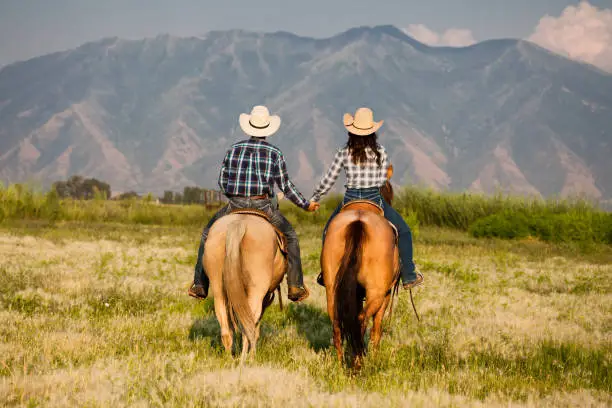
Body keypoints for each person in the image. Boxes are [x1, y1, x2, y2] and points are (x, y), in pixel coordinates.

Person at [188, 105, 319, 302]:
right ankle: (295, 285)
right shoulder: (275, 153)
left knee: (207, 234)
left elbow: (222, 182)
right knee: (291, 237)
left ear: (248, 126)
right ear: (268, 129)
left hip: (234, 205)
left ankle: (200, 283)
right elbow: (285, 185)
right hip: (263, 206)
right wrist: (305, 204)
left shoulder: (234, 150)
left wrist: (235, 194)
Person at [310, 107, 424, 290]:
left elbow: (329, 178)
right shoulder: (380, 151)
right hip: (374, 198)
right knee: (404, 231)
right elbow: (382, 180)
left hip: (350, 199)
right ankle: (409, 275)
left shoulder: (343, 152)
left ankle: (326, 273)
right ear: (372, 131)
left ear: (351, 131)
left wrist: (316, 196)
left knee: (328, 231)